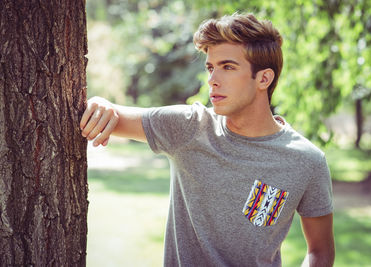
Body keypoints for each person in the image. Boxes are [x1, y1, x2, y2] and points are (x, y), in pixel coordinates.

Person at [80, 13, 335, 267]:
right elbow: (112, 115)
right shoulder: (189, 128)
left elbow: (320, 251)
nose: (213, 79)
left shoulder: (307, 161)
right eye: (211, 67)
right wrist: (100, 104)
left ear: (263, 79)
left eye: (228, 67)